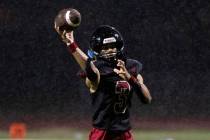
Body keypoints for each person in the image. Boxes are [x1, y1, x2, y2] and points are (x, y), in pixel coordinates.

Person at [55, 25, 152, 140]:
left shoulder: (130, 68)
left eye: (112, 46)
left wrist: (130, 78)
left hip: (124, 132)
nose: (110, 50)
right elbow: (90, 68)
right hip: (103, 133)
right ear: (97, 50)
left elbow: (147, 98)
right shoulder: (98, 71)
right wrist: (71, 44)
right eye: (105, 47)